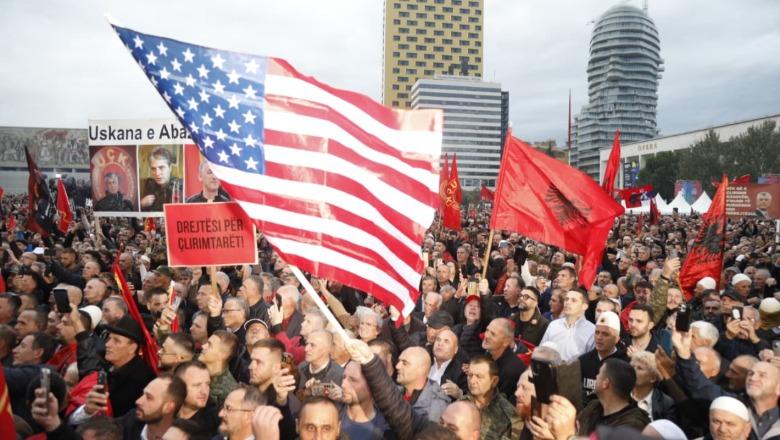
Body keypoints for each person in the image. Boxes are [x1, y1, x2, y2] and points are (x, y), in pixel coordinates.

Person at [577, 358, 650, 435]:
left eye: (599, 373)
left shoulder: (633, 425)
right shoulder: (593, 407)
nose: (596, 376)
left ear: (605, 383)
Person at [460, 354, 519, 440]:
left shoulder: (509, 416)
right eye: (470, 375)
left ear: (494, 381)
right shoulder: (460, 405)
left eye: (479, 377)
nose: (472, 381)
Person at [336, 360, 392, 439]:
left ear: (372, 385)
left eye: (352, 380)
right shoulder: (333, 412)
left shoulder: (383, 430)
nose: (343, 385)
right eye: (344, 377)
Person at [540, 289, 595, 362]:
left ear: (584, 306)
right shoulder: (553, 325)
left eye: (573, 300)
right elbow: (541, 350)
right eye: (566, 299)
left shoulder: (592, 330)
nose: (568, 302)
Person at [198, 330, 239, 408]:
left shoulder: (228, 391)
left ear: (223, 355)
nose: (203, 346)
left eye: (209, 345)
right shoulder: (195, 368)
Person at [141, 147, 182, 211]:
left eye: (161, 167)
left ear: (170, 168)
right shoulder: (149, 184)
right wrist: (141, 204)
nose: (157, 173)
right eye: (153, 169)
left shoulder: (179, 186)